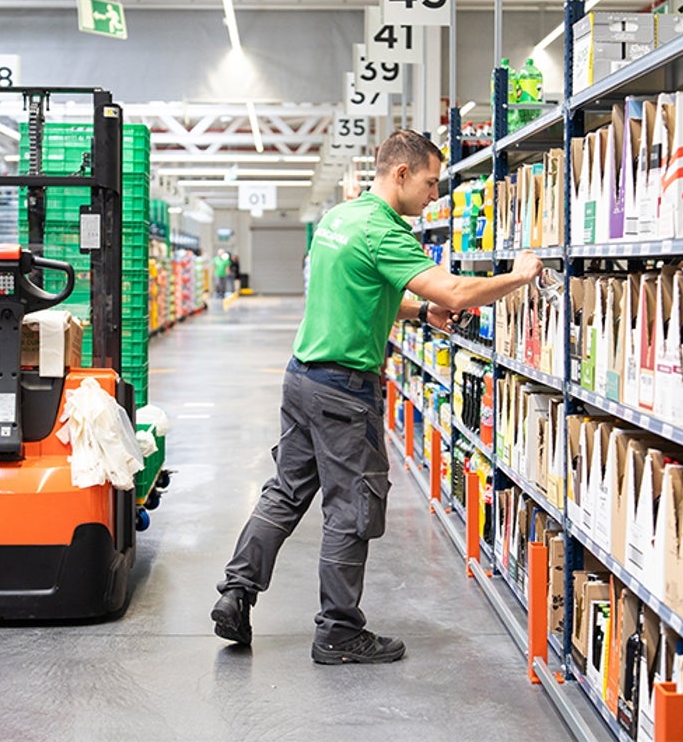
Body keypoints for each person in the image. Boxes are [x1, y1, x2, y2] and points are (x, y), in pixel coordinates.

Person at [211, 129, 544, 664]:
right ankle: (339, 632)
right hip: (343, 389)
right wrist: (517, 277)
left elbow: (360, 294)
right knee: (352, 508)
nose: (435, 196)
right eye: (432, 183)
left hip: (302, 377)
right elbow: (455, 290)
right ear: (402, 174)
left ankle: (237, 592)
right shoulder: (387, 231)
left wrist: (418, 313)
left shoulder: (339, 220)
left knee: (286, 491)